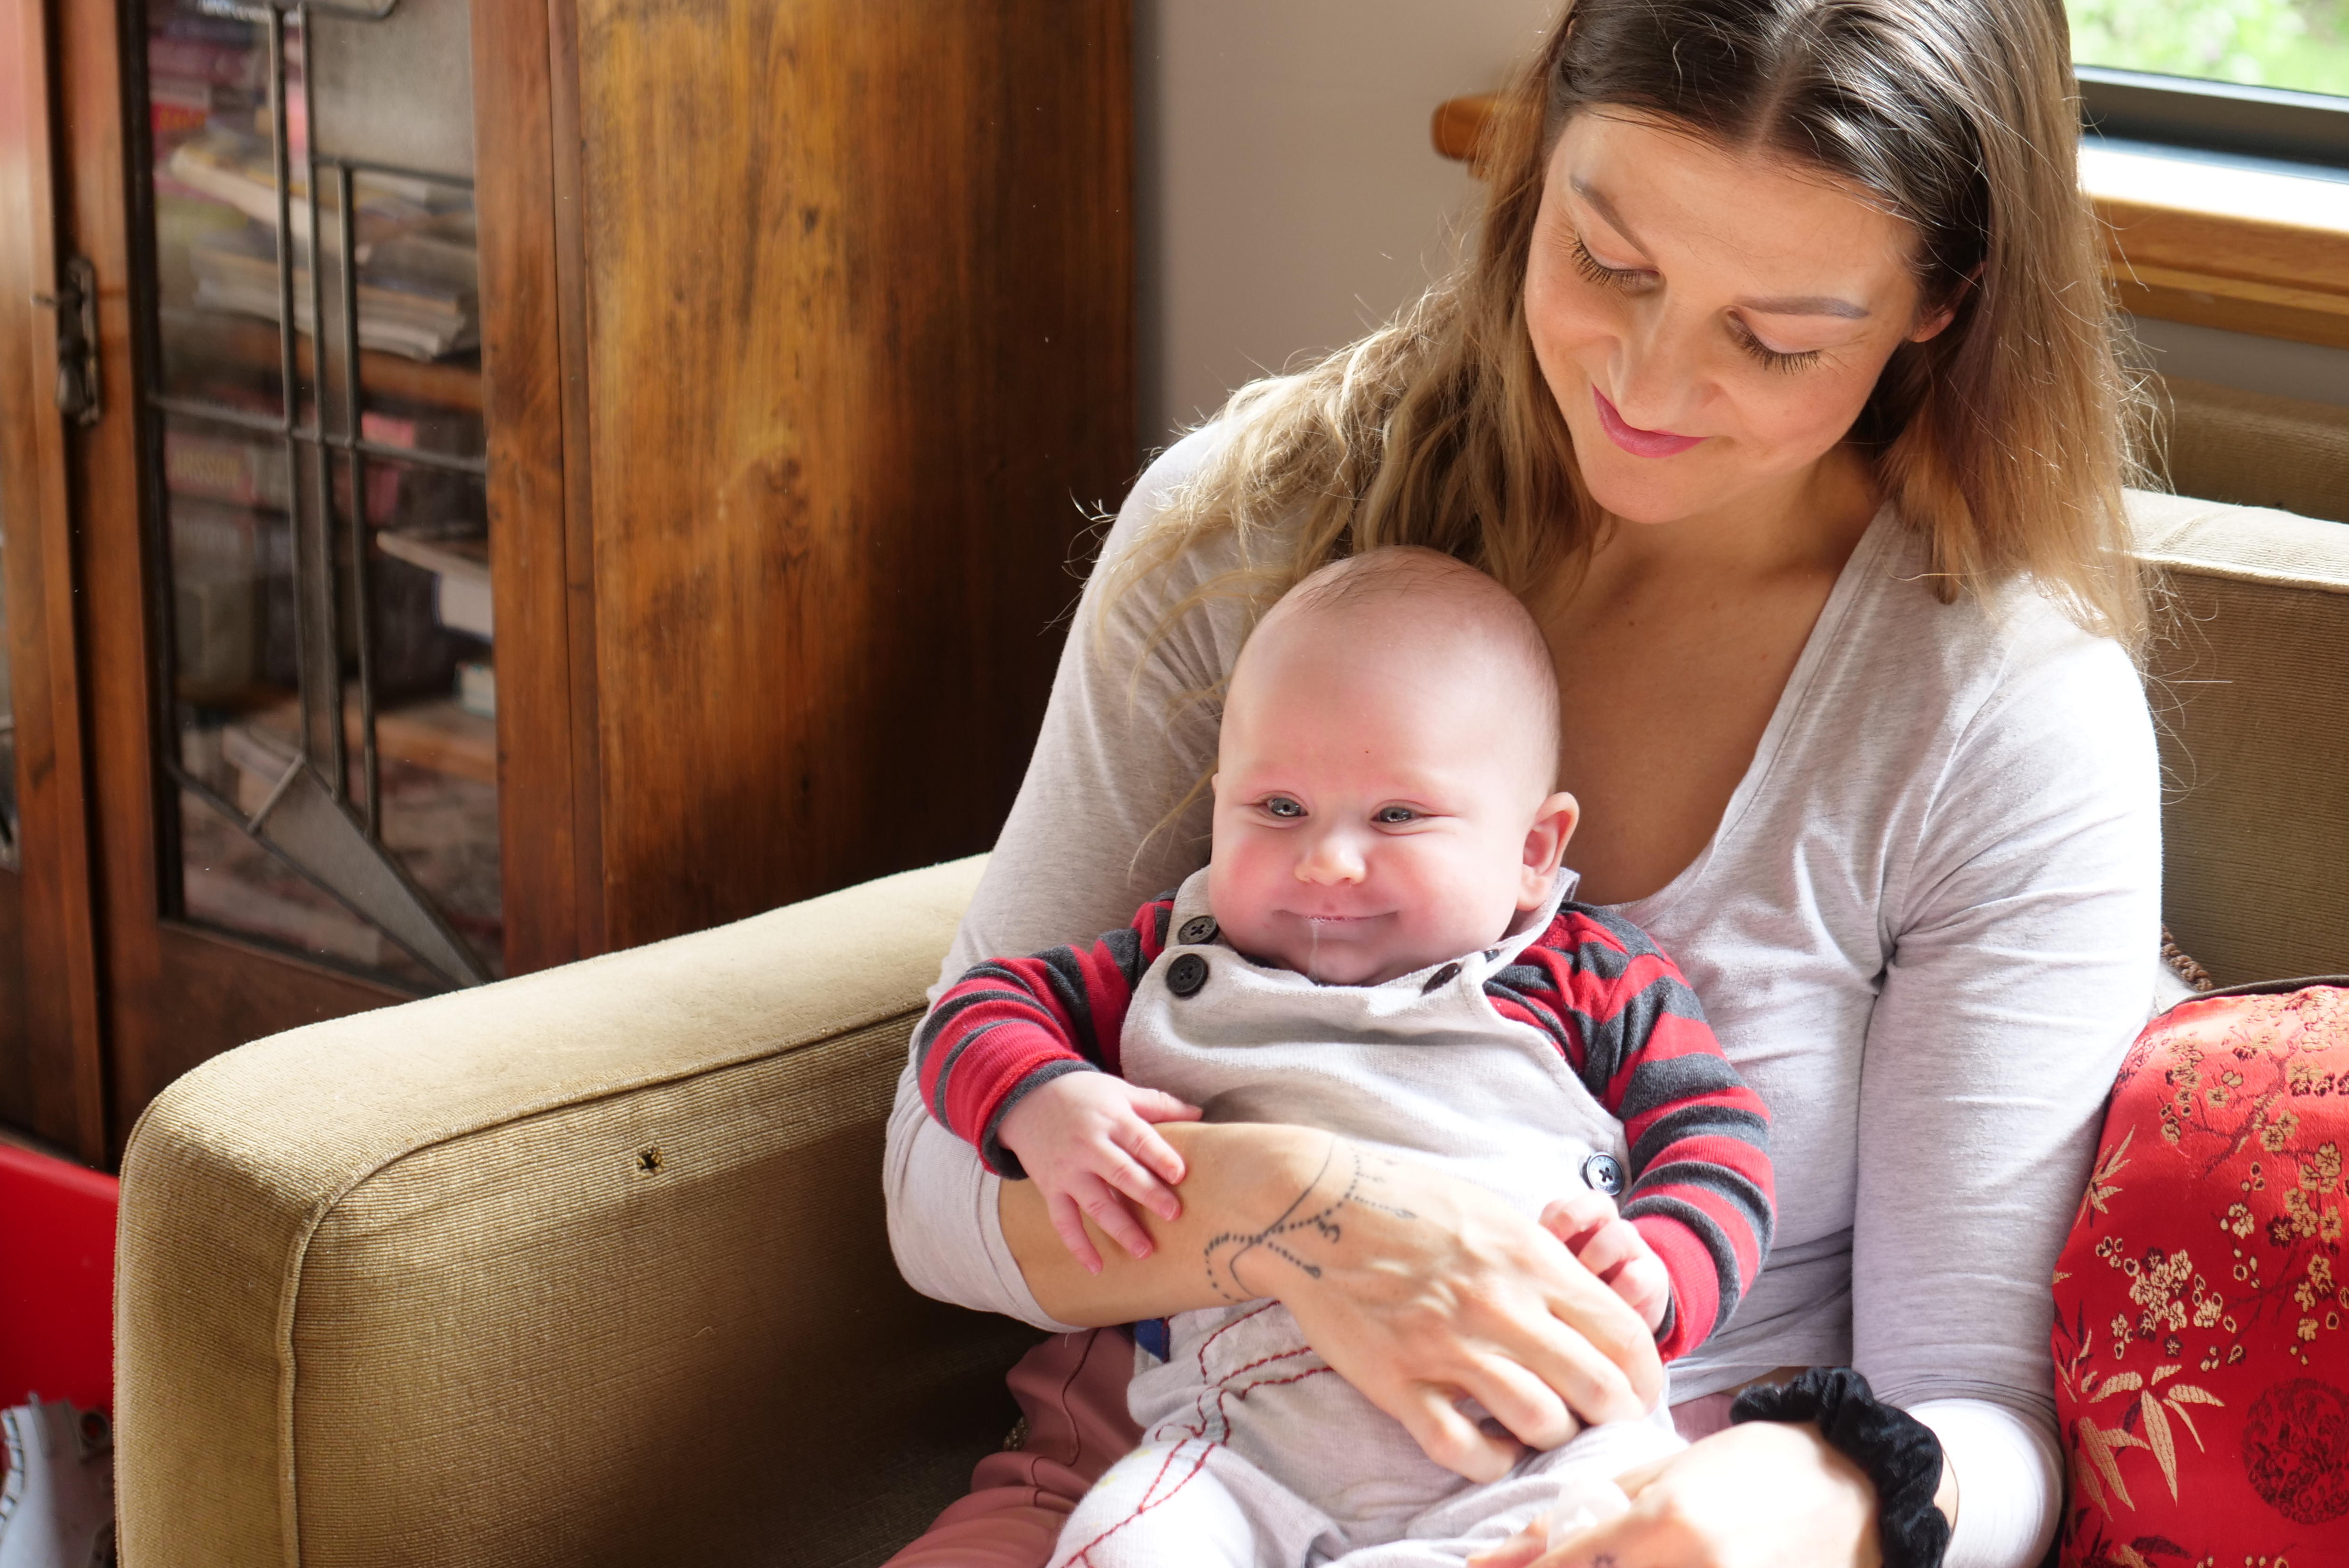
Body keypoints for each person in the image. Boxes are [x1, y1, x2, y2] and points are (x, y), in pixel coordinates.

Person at [883, 0, 2162, 1564]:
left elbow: (1986, 1407)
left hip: (1619, 1507)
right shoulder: (1245, 538)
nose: (1647, 375)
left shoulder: (1996, 714)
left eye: (1773, 340)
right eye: (1609, 262)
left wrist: (1822, 1496)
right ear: (1535, 155)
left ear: (1937, 306)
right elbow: (937, 1189)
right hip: (1171, 1472)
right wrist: (1308, 1213)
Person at [915, 548, 1775, 1565]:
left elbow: (1718, 1139)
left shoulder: (1591, 977)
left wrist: (1663, 1266)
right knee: (1123, 1538)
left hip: (1529, 1447)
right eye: (1277, 809)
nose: (1325, 860)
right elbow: (975, 1011)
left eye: (1397, 815)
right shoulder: (1170, 958)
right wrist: (1042, 1098)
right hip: (1236, 1454)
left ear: (1534, 849)